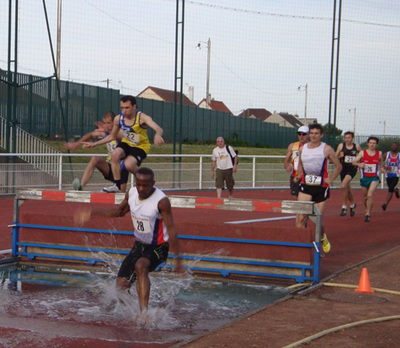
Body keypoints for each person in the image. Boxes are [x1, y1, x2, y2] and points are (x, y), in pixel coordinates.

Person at [75, 167, 181, 316]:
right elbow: (119, 212)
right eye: (138, 184)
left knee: (141, 265)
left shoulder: (161, 201)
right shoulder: (131, 193)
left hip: (158, 247)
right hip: (139, 246)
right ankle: (134, 311)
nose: (141, 189)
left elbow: (171, 230)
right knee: (120, 286)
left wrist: (179, 262)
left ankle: (144, 315)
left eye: (146, 185)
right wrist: (93, 213)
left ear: (153, 183)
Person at [83, 95, 164, 193]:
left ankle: (146, 182)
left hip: (140, 146)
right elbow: (112, 136)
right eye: (122, 108)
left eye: (127, 108)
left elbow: (158, 128)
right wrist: (94, 144)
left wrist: (157, 135)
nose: (124, 111)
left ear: (134, 106)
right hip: (126, 144)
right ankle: (117, 185)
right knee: (115, 154)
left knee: (129, 165)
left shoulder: (142, 118)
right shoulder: (118, 119)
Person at [295, 123, 342, 254]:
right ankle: (300, 245)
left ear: (321, 135)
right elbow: (300, 163)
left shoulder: (326, 149)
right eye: (312, 133)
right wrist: (299, 174)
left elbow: (338, 166)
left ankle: (322, 237)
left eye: (316, 133)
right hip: (306, 185)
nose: (313, 136)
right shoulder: (303, 148)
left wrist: (331, 179)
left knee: (317, 219)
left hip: (321, 187)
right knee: (301, 217)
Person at [65, 111, 129, 192]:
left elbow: (116, 136)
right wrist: (77, 144)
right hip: (109, 167)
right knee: (95, 159)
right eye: (105, 123)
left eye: (109, 123)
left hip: (121, 168)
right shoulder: (105, 133)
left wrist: (107, 132)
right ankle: (81, 187)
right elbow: (91, 134)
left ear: (115, 122)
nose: (107, 125)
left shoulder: (120, 131)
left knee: (121, 195)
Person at [352, 136, 384, 222]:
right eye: (371, 143)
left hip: (374, 178)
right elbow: (354, 162)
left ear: (376, 145)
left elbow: (381, 161)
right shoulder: (362, 153)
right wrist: (359, 165)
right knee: (365, 197)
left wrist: (381, 168)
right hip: (364, 177)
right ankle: (367, 208)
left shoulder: (379, 153)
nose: (372, 145)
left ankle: (368, 213)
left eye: (374, 143)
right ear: (368, 144)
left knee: (370, 195)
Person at [335, 131, 362, 216]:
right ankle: (353, 204)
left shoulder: (356, 146)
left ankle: (344, 206)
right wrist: (339, 156)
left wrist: (359, 164)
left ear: (352, 138)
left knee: (343, 185)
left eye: (349, 138)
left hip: (352, 169)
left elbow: (362, 155)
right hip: (343, 168)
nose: (347, 139)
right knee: (348, 189)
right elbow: (335, 156)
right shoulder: (341, 146)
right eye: (345, 138)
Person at [284, 125, 309, 199]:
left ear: (308, 135)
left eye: (303, 134)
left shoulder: (310, 146)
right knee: (295, 197)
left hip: (307, 176)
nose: (301, 136)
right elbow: (286, 161)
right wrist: (287, 167)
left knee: (307, 197)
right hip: (295, 175)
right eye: (299, 134)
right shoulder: (292, 146)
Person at [381, 141, 400, 211]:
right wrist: (384, 166)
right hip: (388, 174)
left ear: (397, 147)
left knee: (390, 188)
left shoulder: (399, 155)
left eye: (395, 146)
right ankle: (396, 190)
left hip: (396, 174)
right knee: (391, 188)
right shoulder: (387, 154)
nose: (393, 147)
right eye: (392, 145)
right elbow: (380, 161)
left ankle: (385, 204)